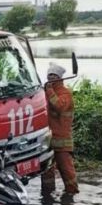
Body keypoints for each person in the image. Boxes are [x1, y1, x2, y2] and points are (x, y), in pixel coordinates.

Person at [41, 62, 79, 195]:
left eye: (53, 75)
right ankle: (47, 195)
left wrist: (49, 90)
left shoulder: (65, 93)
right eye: (49, 75)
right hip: (48, 140)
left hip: (62, 141)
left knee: (67, 170)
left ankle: (71, 193)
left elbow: (59, 106)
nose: (50, 78)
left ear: (59, 77)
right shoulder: (45, 92)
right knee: (47, 171)